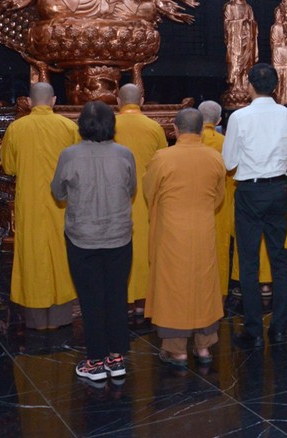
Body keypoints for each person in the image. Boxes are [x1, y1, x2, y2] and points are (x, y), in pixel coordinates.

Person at [51, 101, 136, 381]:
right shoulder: (125, 154)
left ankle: (96, 361)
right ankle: (117, 357)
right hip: (119, 236)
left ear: (81, 126)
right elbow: (131, 188)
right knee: (117, 296)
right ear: (112, 125)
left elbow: (58, 192)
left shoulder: (69, 155)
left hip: (82, 237)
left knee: (91, 299)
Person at [223, 63, 287, 348]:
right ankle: (279, 327)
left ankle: (253, 329)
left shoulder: (239, 117)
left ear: (249, 86)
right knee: (281, 261)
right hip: (279, 188)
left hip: (250, 191)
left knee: (249, 260)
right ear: (276, 86)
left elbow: (229, 161)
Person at [144, 108, 226, 365]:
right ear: (202, 130)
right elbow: (219, 197)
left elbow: (149, 191)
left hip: (172, 232)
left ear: (175, 129)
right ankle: (204, 348)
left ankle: (177, 350)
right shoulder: (215, 157)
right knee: (204, 283)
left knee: (174, 286)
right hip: (203, 229)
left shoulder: (163, 157)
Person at [0, 82, 79, 330]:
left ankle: (36, 318)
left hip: (30, 202)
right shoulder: (68, 127)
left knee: (32, 255)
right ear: (54, 101)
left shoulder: (16, 128)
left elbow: (9, 166)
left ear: (30, 102)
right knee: (61, 254)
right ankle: (60, 317)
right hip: (62, 202)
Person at [114, 83, 167, 320]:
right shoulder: (154, 127)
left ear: (118, 101)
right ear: (142, 101)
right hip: (146, 197)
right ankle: (144, 302)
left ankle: (123, 300)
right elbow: (162, 161)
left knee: (120, 248)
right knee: (145, 246)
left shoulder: (111, 125)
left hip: (118, 198)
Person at [199, 100, 234, 297]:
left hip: (193, 203)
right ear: (219, 120)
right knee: (219, 248)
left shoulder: (190, 141)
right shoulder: (224, 143)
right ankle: (218, 294)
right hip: (220, 203)